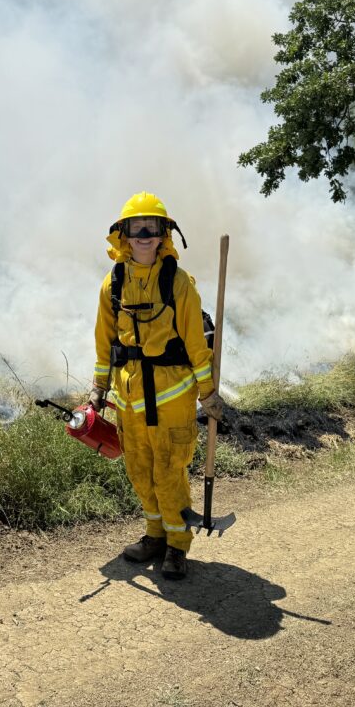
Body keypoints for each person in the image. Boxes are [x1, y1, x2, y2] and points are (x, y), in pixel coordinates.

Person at [89, 192, 225, 580]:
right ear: (124, 235)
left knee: (169, 471)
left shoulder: (180, 284)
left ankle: (177, 546)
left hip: (171, 399)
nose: (145, 234)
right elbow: (103, 343)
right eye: (137, 227)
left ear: (165, 233)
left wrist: (208, 394)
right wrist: (98, 388)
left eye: (152, 226)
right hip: (128, 400)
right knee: (140, 469)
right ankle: (154, 535)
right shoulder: (111, 285)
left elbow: (198, 347)